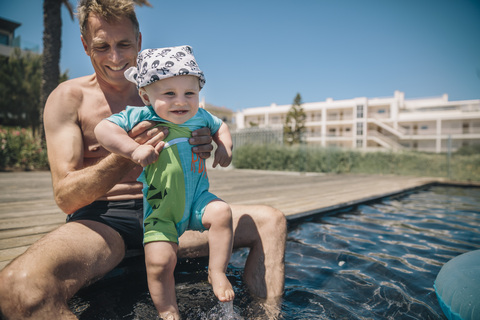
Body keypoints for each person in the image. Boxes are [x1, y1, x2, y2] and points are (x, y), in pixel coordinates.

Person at [0, 0, 286, 319]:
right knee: (17, 289)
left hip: (176, 210)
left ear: (138, 40)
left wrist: (208, 143)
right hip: (105, 220)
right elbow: (66, 198)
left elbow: (213, 130)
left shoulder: (172, 89)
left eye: (124, 44)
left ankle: (268, 315)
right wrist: (125, 155)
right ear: (84, 45)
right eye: (102, 46)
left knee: (271, 222)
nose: (116, 57)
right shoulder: (69, 99)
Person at [95, 45, 235, 318]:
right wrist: (132, 149)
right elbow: (104, 129)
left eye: (189, 93)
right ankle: (168, 311)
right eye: (169, 93)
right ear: (146, 96)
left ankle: (216, 272)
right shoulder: (143, 116)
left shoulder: (200, 117)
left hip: (197, 199)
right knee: (159, 263)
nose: (180, 101)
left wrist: (225, 148)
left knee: (222, 213)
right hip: (160, 211)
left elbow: (223, 127)